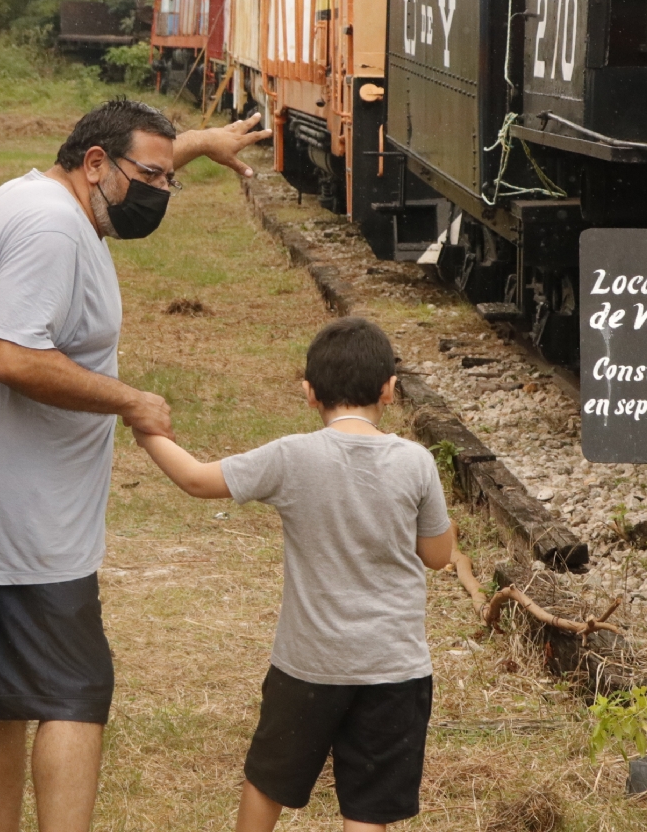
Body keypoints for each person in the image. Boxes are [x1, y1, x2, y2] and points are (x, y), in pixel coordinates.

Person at [0, 98, 271, 832]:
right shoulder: (51, 228)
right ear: (96, 164)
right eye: (152, 177)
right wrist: (130, 401)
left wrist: (196, 144)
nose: (160, 194)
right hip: (23, 519)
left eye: (168, 180)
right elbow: (11, 356)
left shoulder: (32, 196)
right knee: (75, 690)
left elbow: (142, 157)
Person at [135, 316, 458, 832]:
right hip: (394, 668)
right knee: (368, 807)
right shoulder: (416, 462)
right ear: (390, 390)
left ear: (309, 393)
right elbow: (437, 555)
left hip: (308, 665)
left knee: (268, 781)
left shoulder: (292, 457)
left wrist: (143, 428)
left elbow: (196, 480)